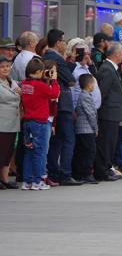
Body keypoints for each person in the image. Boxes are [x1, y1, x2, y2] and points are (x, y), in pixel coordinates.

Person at [43, 29, 82, 186]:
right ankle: (65, 173)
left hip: (54, 103)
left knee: (56, 140)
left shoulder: (46, 56)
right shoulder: (55, 58)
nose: (65, 44)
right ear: (58, 42)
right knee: (67, 138)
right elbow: (71, 80)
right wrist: (70, 63)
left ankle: (54, 173)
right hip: (62, 102)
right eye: (63, 41)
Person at [21, 58, 60, 190]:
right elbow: (54, 93)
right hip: (40, 122)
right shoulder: (40, 86)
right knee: (39, 151)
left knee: (29, 151)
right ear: (38, 71)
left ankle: (27, 181)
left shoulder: (24, 83)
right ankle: (38, 181)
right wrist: (54, 80)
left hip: (27, 121)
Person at [94, 43, 122, 182]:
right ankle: (102, 171)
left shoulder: (112, 68)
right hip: (107, 113)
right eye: (121, 52)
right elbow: (102, 92)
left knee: (110, 143)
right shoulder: (107, 69)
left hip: (113, 113)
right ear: (116, 54)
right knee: (105, 143)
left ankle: (107, 168)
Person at [72, 74, 99, 184]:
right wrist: (95, 128)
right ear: (89, 84)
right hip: (86, 129)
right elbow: (91, 114)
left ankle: (80, 173)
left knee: (83, 151)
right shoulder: (85, 96)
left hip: (84, 129)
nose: (94, 86)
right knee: (89, 151)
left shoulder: (85, 95)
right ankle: (86, 173)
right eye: (93, 83)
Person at [0, 55, 21, 190]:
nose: (5, 69)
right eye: (2, 67)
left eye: (7, 66)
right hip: (2, 121)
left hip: (13, 122)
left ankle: (5, 179)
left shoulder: (12, 81)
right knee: (1, 151)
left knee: (8, 152)